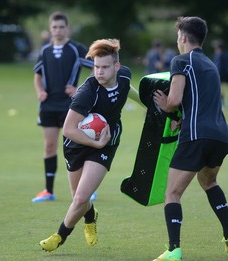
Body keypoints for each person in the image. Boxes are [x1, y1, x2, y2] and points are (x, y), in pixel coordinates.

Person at [39, 38, 142, 252]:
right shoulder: (87, 92)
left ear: (116, 66)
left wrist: (146, 104)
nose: (99, 72)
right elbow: (68, 129)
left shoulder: (124, 76)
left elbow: (126, 88)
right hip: (76, 144)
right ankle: (90, 216)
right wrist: (95, 143)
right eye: (96, 67)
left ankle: (59, 236)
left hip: (106, 144)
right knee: (79, 198)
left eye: (105, 67)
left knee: (80, 197)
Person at [152, 16, 228, 261]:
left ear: (182, 37)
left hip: (195, 136)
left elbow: (174, 100)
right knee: (209, 182)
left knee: (172, 193)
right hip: (221, 136)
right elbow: (202, 102)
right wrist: (184, 117)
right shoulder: (211, 65)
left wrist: (165, 105)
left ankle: (174, 249)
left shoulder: (180, 61)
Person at [32, 11, 96, 203]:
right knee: (50, 146)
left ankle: (87, 189)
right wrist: (39, 91)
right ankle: (48, 191)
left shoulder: (76, 48)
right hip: (48, 106)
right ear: (50, 29)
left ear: (67, 28)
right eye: (54, 27)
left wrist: (80, 89)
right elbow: (37, 74)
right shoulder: (44, 50)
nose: (58, 31)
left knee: (77, 147)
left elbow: (97, 68)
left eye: (61, 27)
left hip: (71, 107)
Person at [212, 39, 228, 108]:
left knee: (220, 87)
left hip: (220, 73)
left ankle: (222, 102)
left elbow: (216, 64)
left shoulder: (218, 55)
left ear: (218, 48)